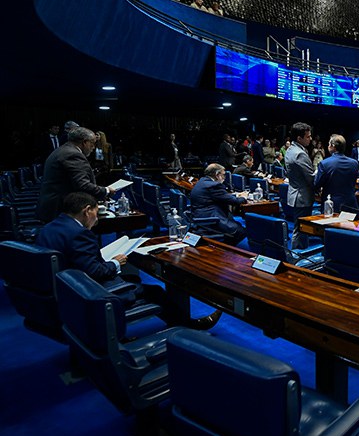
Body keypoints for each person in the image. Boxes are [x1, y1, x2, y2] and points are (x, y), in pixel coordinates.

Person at [36, 192, 166, 308]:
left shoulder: (48, 227)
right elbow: (95, 272)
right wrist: (115, 262)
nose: (96, 219)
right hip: (85, 292)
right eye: (96, 214)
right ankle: (175, 331)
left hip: (62, 287)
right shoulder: (79, 234)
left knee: (132, 278)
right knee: (156, 291)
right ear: (87, 211)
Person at [37, 127, 114, 223]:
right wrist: (106, 190)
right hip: (60, 209)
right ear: (84, 142)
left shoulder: (62, 150)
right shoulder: (73, 154)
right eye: (92, 143)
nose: (93, 147)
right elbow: (82, 185)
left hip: (53, 205)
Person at [189, 163, 248, 246]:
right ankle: (227, 251)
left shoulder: (202, 181)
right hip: (211, 219)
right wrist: (244, 197)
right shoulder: (214, 185)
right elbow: (234, 201)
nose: (224, 177)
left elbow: (220, 196)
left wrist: (236, 195)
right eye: (223, 175)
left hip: (198, 215)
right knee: (241, 231)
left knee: (237, 225)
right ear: (217, 175)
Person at [283, 122, 315, 249]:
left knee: (298, 226)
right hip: (302, 196)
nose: (310, 139)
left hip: (294, 193)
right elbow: (311, 177)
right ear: (299, 138)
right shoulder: (299, 153)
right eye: (308, 136)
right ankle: (298, 256)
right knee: (301, 228)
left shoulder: (290, 149)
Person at [314, 134, 359, 213]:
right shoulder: (354, 163)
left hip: (332, 205)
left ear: (333, 146)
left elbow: (317, 184)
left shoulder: (325, 163)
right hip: (351, 204)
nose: (328, 146)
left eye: (329, 144)